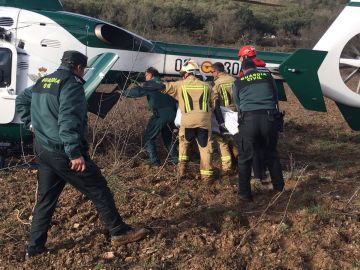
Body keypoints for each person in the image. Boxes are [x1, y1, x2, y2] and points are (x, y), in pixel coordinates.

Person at [16, 50, 149, 258]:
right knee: (98, 188)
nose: (83, 73)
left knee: (45, 200)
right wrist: (74, 153)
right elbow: (68, 120)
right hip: (62, 151)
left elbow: (21, 100)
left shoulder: (44, 81)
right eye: (83, 69)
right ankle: (119, 231)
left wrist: (31, 124)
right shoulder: (72, 85)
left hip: (43, 150)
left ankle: (34, 247)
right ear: (78, 67)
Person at [232, 58, 285, 201]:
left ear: (242, 71)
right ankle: (279, 189)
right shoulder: (268, 77)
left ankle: (244, 194)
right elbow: (275, 98)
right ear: (255, 68)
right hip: (269, 119)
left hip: (248, 121)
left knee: (245, 159)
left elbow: (238, 105)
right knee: (271, 154)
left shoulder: (238, 82)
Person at [159, 59, 215, 181]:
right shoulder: (207, 86)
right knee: (205, 148)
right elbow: (213, 104)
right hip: (204, 122)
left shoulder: (180, 85)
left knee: (184, 144)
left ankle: (181, 171)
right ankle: (207, 177)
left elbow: (161, 87)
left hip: (188, 122)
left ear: (185, 73)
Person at [124, 67, 178, 167]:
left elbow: (137, 92)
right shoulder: (166, 84)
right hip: (173, 115)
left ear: (150, 74)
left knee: (148, 138)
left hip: (160, 115)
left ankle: (154, 162)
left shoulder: (150, 84)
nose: (145, 77)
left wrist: (123, 92)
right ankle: (176, 161)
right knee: (168, 139)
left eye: (145, 75)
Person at [238, 45, 268, 181]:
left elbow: (240, 94)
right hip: (268, 113)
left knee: (251, 146)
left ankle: (255, 174)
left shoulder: (246, 70)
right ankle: (263, 171)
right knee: (264, 146)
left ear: (244, 57)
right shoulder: (264, 68)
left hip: (250, 113)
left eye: (240, 58)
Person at [211, 62, 238, 175]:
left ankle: (227, 168)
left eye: (212, 72)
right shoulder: (234, 80)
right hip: (236, 113)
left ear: (216, 71)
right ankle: (239, 162)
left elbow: (215, 102)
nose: (212, 74)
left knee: (222, 141)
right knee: (236, 139)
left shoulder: (216, 83)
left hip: (224, 114)